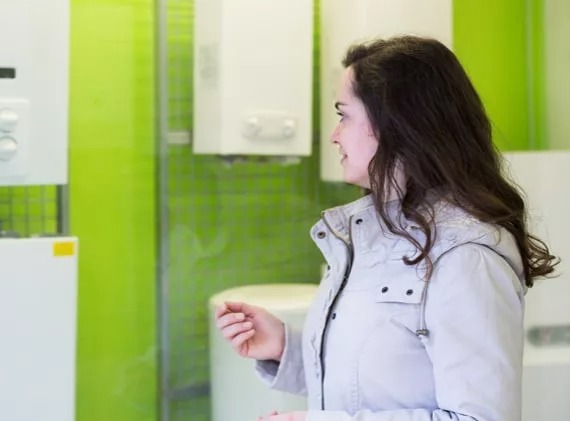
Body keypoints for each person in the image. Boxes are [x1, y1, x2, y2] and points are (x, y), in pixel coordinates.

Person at [214, 35, 559, 421]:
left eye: (344, 115)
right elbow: (379, 383)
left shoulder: (467, 258)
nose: (334, 135)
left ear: (395, 124)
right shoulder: (371, 237)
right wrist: (286, 349)